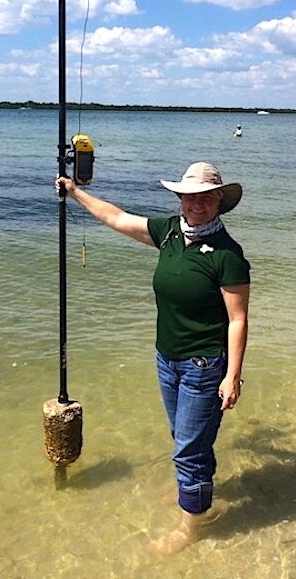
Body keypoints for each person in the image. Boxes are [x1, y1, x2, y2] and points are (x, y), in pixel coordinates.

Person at [56, 161, 250, 554]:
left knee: (188, 449)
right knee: (184, 439)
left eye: (205, 198)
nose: (196, 205)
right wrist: (76, 193)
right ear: (180, 198)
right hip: (168, 360)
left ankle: (191, 526)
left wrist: (232, 376)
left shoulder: (228, 255)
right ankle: (192, 491)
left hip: (204, 366)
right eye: (189, 197)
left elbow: (238, 320)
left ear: (219, 202)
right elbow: (117, 218)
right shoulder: (169, 233)